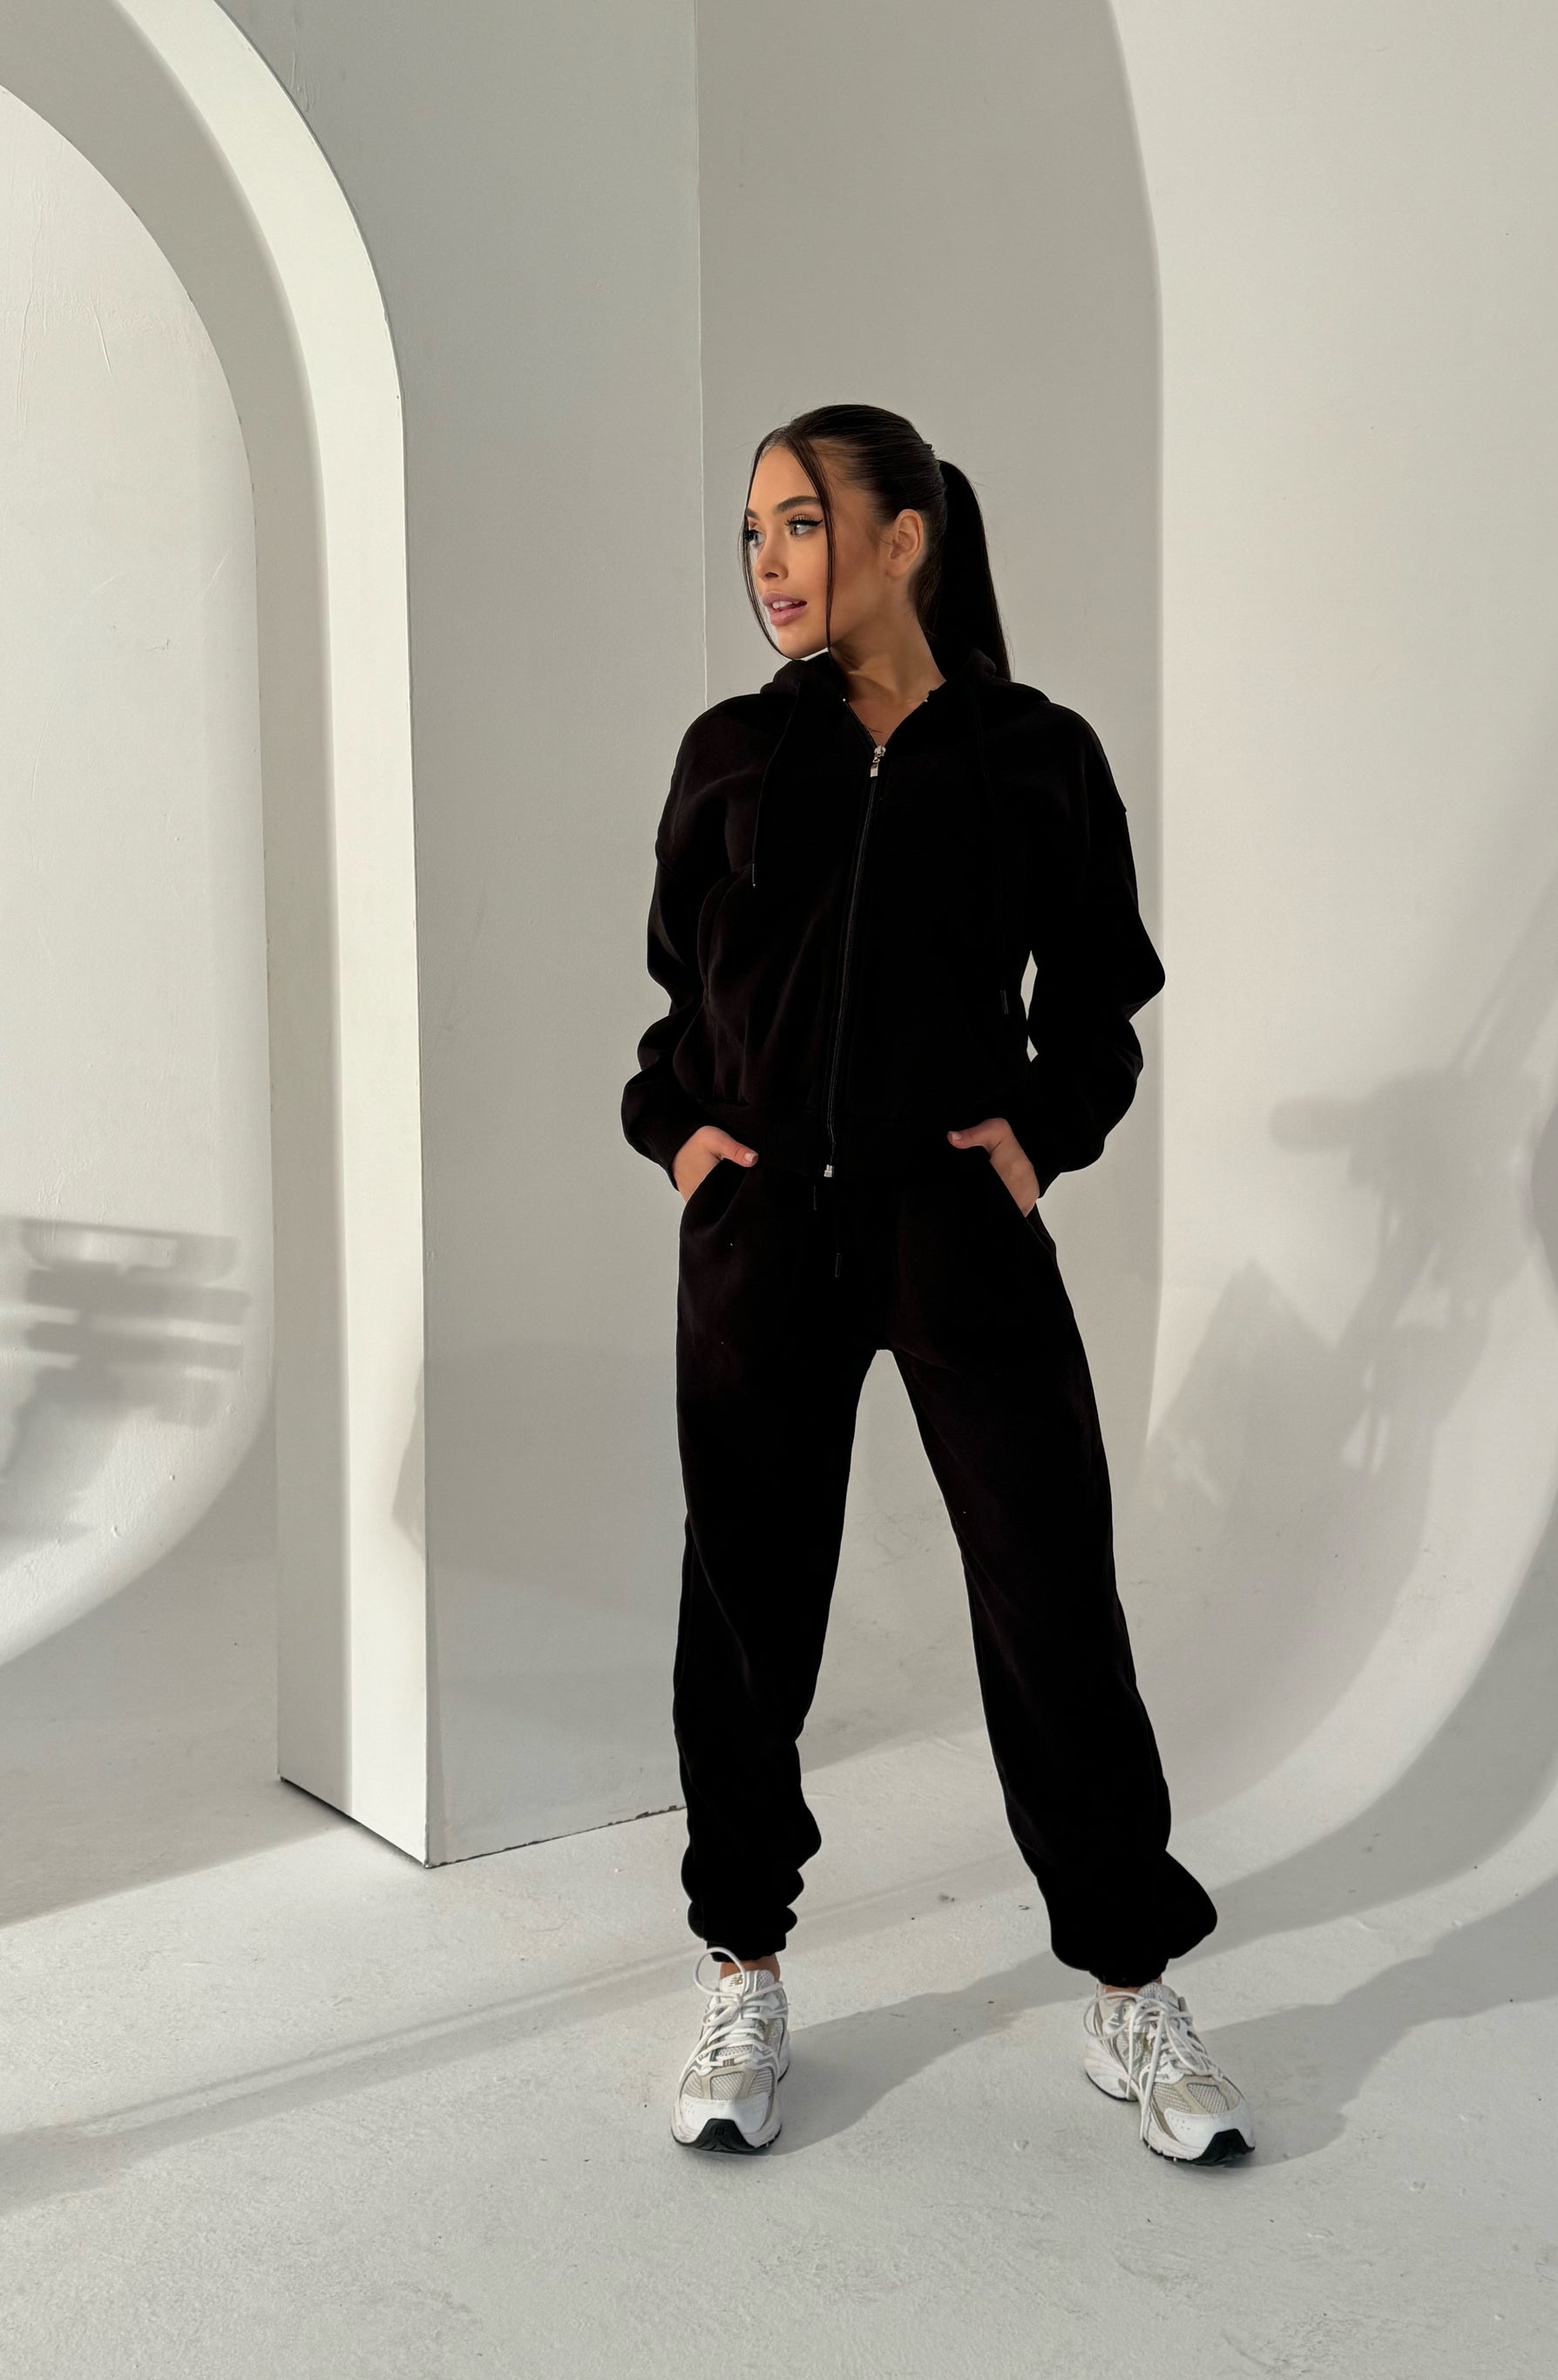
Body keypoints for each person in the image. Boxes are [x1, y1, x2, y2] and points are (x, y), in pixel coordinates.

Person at [620, 403, 1255, 2167]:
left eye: (800, 523)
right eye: (752, 530)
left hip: (950, 1226)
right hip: (762, 1234)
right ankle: (743, 1972)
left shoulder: (1033, 755)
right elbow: (676, 999)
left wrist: (1037, 1137)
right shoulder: (731, 754)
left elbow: (1101, 1004)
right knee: (746, 1606)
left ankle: (1129, 1987)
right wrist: (679, 1139)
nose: (767, 562)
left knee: (1051, 1593)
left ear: (903, 537)